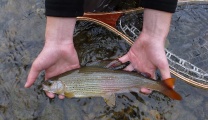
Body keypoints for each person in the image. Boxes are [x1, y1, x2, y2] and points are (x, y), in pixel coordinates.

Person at [25, 0, 178, 99]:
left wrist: (154, 33)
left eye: (51, 84)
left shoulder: (66, 87)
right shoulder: (65, 83)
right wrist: (58, 38)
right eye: (51, 84)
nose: (47, 85)